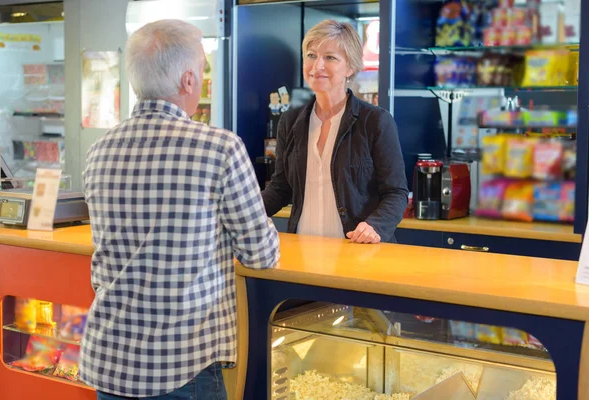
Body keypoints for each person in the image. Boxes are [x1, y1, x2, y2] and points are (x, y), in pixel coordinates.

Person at [80, 19, 280, 400]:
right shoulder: (220, 148)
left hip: (108, 361)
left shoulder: (99, 151)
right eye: (203, 69)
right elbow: (261, 254)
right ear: (188, 80)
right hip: (182, 364)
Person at [262, 20, 408, 244]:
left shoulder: (376, 121)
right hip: (303, 250)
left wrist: (375, 225)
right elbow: (281, 187)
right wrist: (242, 211)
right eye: (311, 55)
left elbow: (396, 193)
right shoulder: (290, 121)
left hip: (359, 252)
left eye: (330, 57)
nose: (317, 66)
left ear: (349, 67)